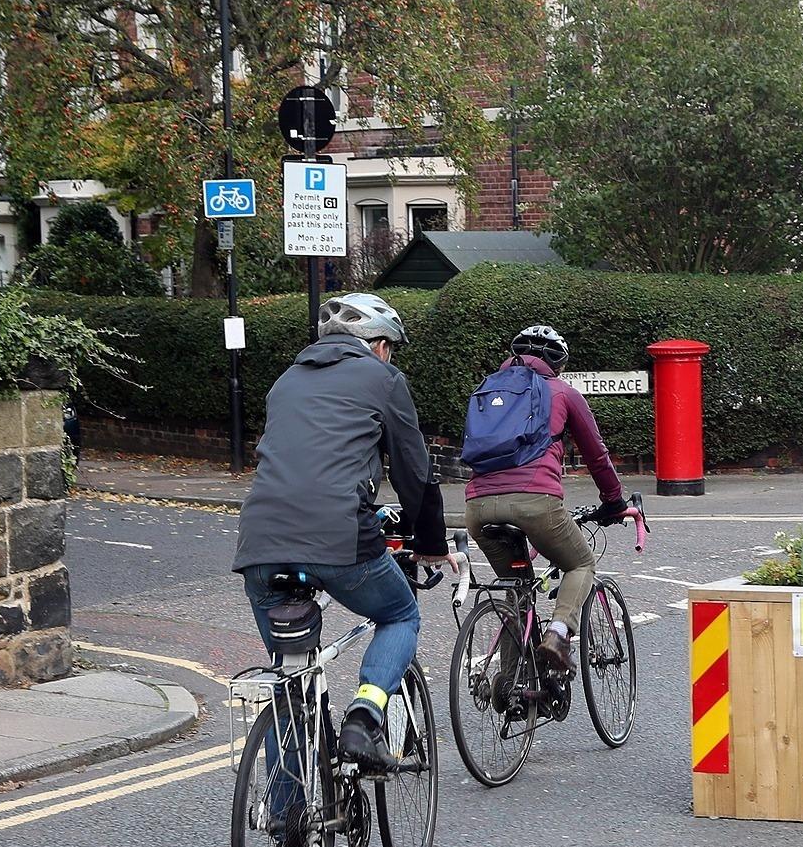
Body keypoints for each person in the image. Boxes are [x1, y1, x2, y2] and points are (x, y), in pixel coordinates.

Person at [233, 293, 449, 771]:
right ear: (377, 345)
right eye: (391, 347)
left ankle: (290, 832)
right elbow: (413, 473)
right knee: (400, 615)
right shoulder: (383, 378)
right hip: (339, 536)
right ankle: (365, 714)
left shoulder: (285, 382)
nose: (391, 357)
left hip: (259, 542)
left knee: (289, 682)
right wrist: (430, 543)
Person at [463, 324, 626, 673]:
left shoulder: (486, 390)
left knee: (515, 592)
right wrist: (613, 500)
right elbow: (596, 455)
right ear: (558, 364)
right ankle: (556, 633)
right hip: (536, 502)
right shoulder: (563, 393)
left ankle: (507, 686)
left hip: (477, 507)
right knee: (580, 563)